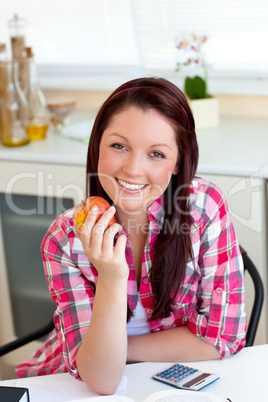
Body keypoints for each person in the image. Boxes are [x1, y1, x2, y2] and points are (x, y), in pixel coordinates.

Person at [16, 77, 246, 395]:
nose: (133, 169)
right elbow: (101, 379)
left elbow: (224, 338)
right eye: (119, 146)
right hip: (68, 388)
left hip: (163, 384)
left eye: (156, 154)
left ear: (179, 161)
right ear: (97, 144)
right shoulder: (65, 238)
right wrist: (111, 276)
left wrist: (121, 348)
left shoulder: (204, 208)